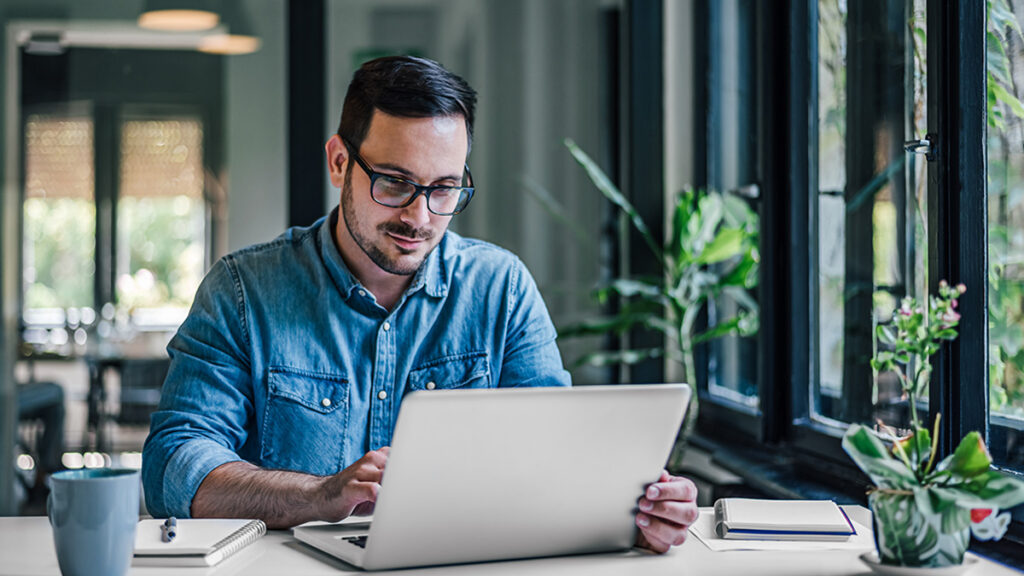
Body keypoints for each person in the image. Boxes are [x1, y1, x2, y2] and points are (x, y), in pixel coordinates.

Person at [142, 55, 698, 553]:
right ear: (339, 163)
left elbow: (557, 462)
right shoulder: (242, 292)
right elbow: (173, 465)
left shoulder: (500, 289)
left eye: (444, 188)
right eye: (394, 182)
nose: (420, 216)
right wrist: (319, 495)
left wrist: (640, 514)